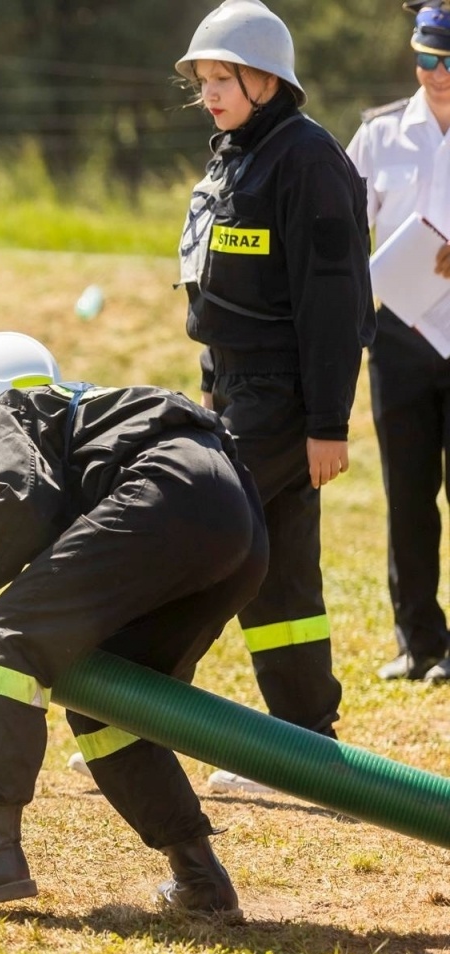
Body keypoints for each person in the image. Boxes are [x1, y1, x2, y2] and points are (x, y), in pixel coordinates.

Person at [0, 333, 268, 917]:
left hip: (166, 493)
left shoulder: (7, 409)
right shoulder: (85, 419)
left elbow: (19, 501)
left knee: (6, 637)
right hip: (235, 520)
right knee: (106, 699)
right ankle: (200, 878)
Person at [174, 0, 374, 794]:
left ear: (269, 81)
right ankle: (301, 747)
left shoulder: (307, 159)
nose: (212, 92)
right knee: (283, 573)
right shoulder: (234, 155)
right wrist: (215, 389)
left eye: (226, 78)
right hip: (237, 391)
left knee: (189, 540)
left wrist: (328, 423)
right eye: (204, 79)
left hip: (286, 402)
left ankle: (129, 711)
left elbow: (336, 304)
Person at [346, 2, 450, 683]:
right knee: (408, 494)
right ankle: (420, 643)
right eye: (424, 59)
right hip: (400, 336)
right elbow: (343, 231)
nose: (434, 74)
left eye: (445, 62)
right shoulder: (380, 135)